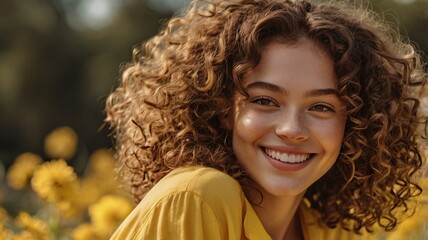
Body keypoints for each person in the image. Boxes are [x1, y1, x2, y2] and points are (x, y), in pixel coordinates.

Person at [105, 0, 427, 239]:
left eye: (321, 107)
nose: (292, 130)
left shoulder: (331, 232)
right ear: (222, 108)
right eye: (264, 101)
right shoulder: (196, 199)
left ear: (355, 122)